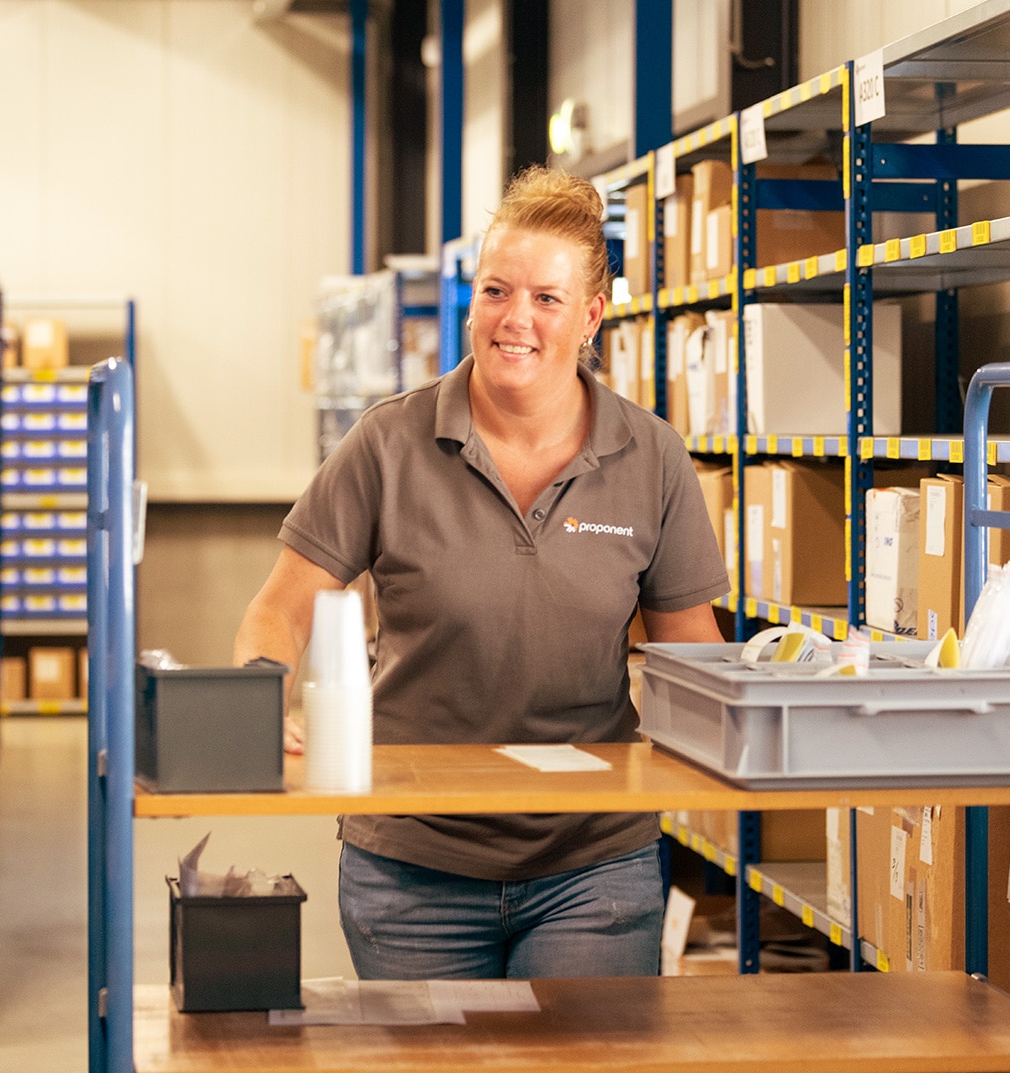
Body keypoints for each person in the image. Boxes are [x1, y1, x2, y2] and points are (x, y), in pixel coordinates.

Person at [233, 164, 729, 981]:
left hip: (593, 864)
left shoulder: (652, 457)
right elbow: (280, 609)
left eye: (546, 298)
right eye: (497, 291)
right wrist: (256, 693)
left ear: (592, 315)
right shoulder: (388, 444)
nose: (516, 320)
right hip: (412, 863)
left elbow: (693, 655)